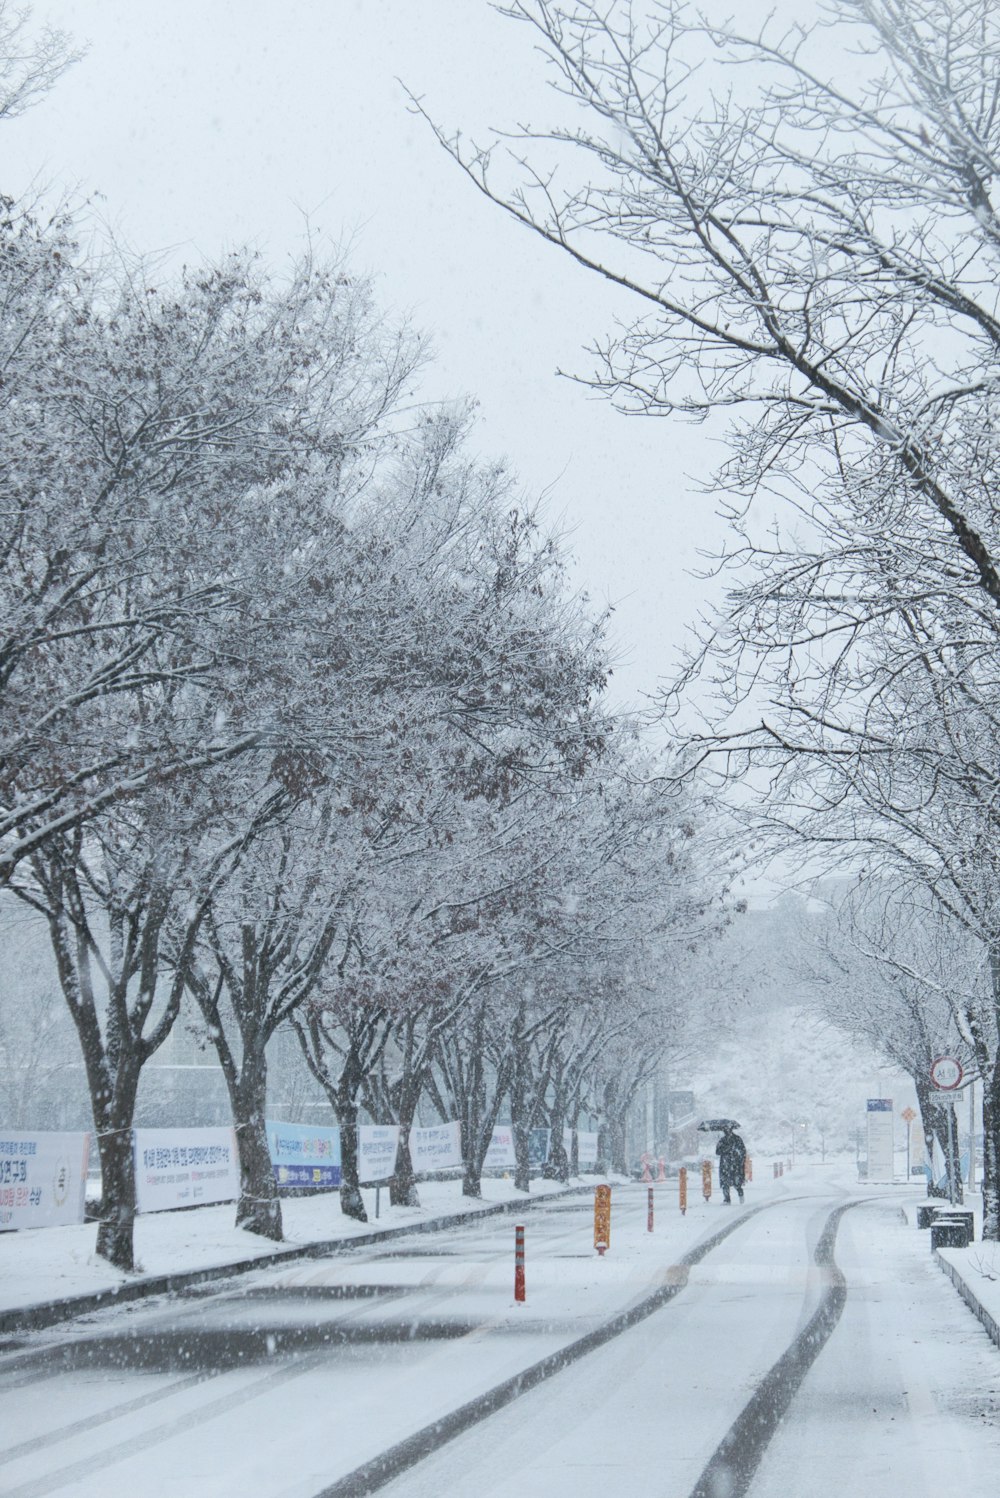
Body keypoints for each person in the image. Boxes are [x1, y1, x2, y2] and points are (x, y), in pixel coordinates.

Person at [716, 1126, 747, 1204]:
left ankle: (740, 1194)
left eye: (727, 1130)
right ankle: (727, 1199)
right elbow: (717, 1151)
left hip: (735, 1164)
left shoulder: (737, 1139)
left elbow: (743, 1151)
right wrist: (727, 1149)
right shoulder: (722, 1140)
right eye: (725, 1130)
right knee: (724, 1182)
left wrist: (737, 1155)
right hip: (725, 1164)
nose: (726, 1132)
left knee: (736, 1182)